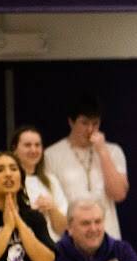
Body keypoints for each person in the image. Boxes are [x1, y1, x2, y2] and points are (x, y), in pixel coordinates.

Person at [44, 93, 128, 239]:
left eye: (95, 123)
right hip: (70, 237)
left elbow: (119, 194)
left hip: (107, 235)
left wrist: (102, 152)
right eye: (84, 123)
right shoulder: (51, 154)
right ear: (71, 122)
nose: (90, 129)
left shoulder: (113, 151)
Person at [44, 198, 137, 261]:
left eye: (98, 222)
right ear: (70, 228)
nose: (93, 229)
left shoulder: (122, 251)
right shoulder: (54, 255)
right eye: (85, 223)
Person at [9, 125, 68, 241]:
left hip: (52, 249)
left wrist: (52, 208)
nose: (33, 150)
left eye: (37, 145)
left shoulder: (51, 181)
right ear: (14, 149)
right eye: (27, 145)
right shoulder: (8, 181)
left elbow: (62, 229)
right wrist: (31, 211)